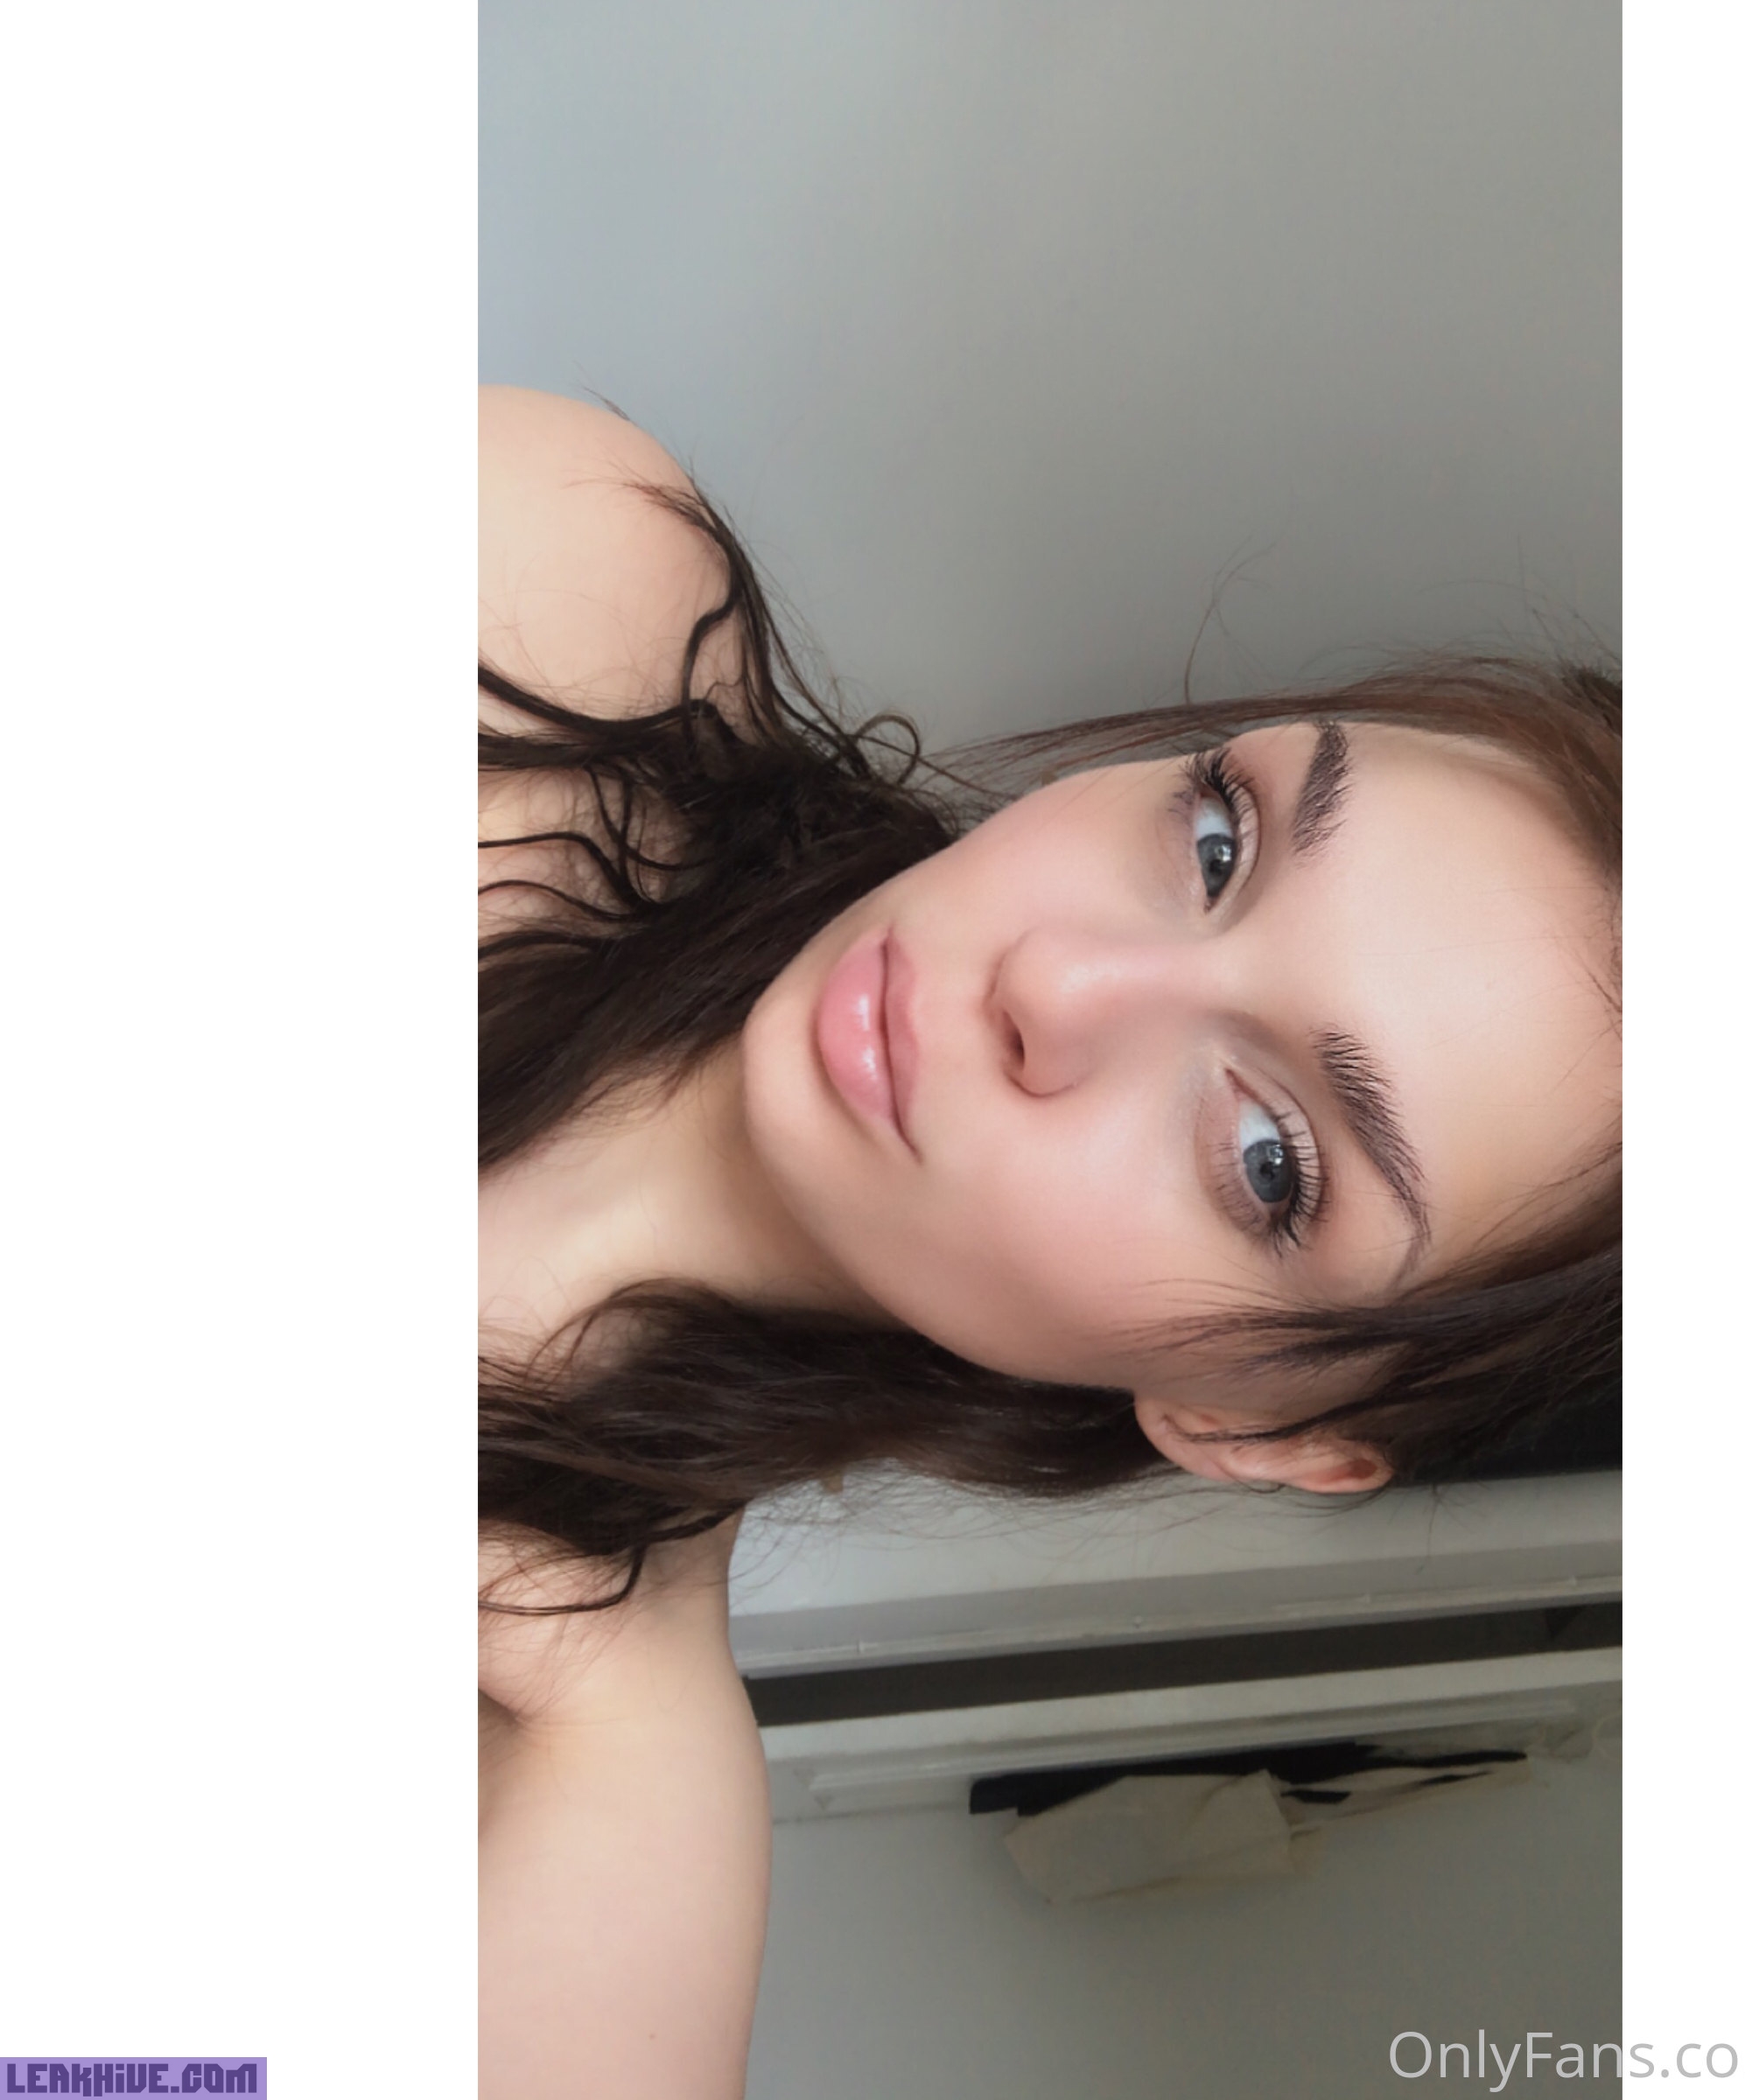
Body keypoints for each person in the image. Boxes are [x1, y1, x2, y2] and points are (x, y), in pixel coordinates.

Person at [476, 384, 1620, 2096]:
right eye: (1220, 840)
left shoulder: (590, 1837)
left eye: (1268, 1158)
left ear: (1260, 1422)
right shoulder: (558, 585)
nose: (1060, 980)